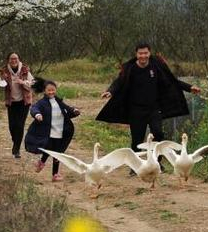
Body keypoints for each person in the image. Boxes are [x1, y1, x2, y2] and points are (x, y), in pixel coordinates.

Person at [96, 42, 201, 174]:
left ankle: (157, 163)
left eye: (145, 53)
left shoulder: (156, 66)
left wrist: (189, 88)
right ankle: (135, 167)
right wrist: (110, 91)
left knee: (158, 134)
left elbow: (171, 81)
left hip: (154, 108)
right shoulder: (130, 69)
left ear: (149, 53)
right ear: (136, 54)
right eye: (140, 53)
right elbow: (119, 82)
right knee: (137, 140)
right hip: (136, 110)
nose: (143, 56)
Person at [24, 78, 80, 181]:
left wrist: (74, 110)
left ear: (56, 90)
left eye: (53, 90)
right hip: (48, 132)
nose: (51, 92)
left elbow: (67, 109)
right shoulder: (42, 103)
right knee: (51, 150)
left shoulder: (59, 101)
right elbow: (34, 108)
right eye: (49, 90)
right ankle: (43, 163)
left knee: (58, 153)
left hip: (60, 131)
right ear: (44, 91)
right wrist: (37, 114)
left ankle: (54, 174)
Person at [0, 52, 34, 158]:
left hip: (24, 102)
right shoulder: (4, 71)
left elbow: (32, 84)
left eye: (15, 58)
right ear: (8, 60)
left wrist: (23, 82)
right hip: (11, 102)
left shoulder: (25, 70)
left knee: (19, 125)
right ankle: (16, 142)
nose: (13, 60)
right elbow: (0, 88)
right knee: (12, 126)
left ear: (18, 59)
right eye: (11, 58)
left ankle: (16, 149)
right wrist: (2, 79)